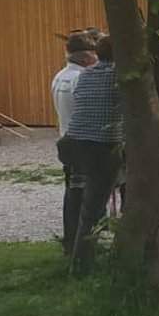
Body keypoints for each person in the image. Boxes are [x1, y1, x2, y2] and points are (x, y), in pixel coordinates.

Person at [62, 34, 122, 270]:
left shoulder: (86, 74)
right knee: (94, 207)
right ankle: (82, 264)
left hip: (74, 143)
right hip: (100, 146)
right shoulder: (119, 77)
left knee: (80, 200)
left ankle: (75, 250)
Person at [51, 30, 98, 254]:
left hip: (67, 139)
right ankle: (81, 245)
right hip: (83, 143)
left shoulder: (60, 76)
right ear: (87, 58)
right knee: (83, 196)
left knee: (72, 194)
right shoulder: (82, 79)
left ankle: (72, 241)